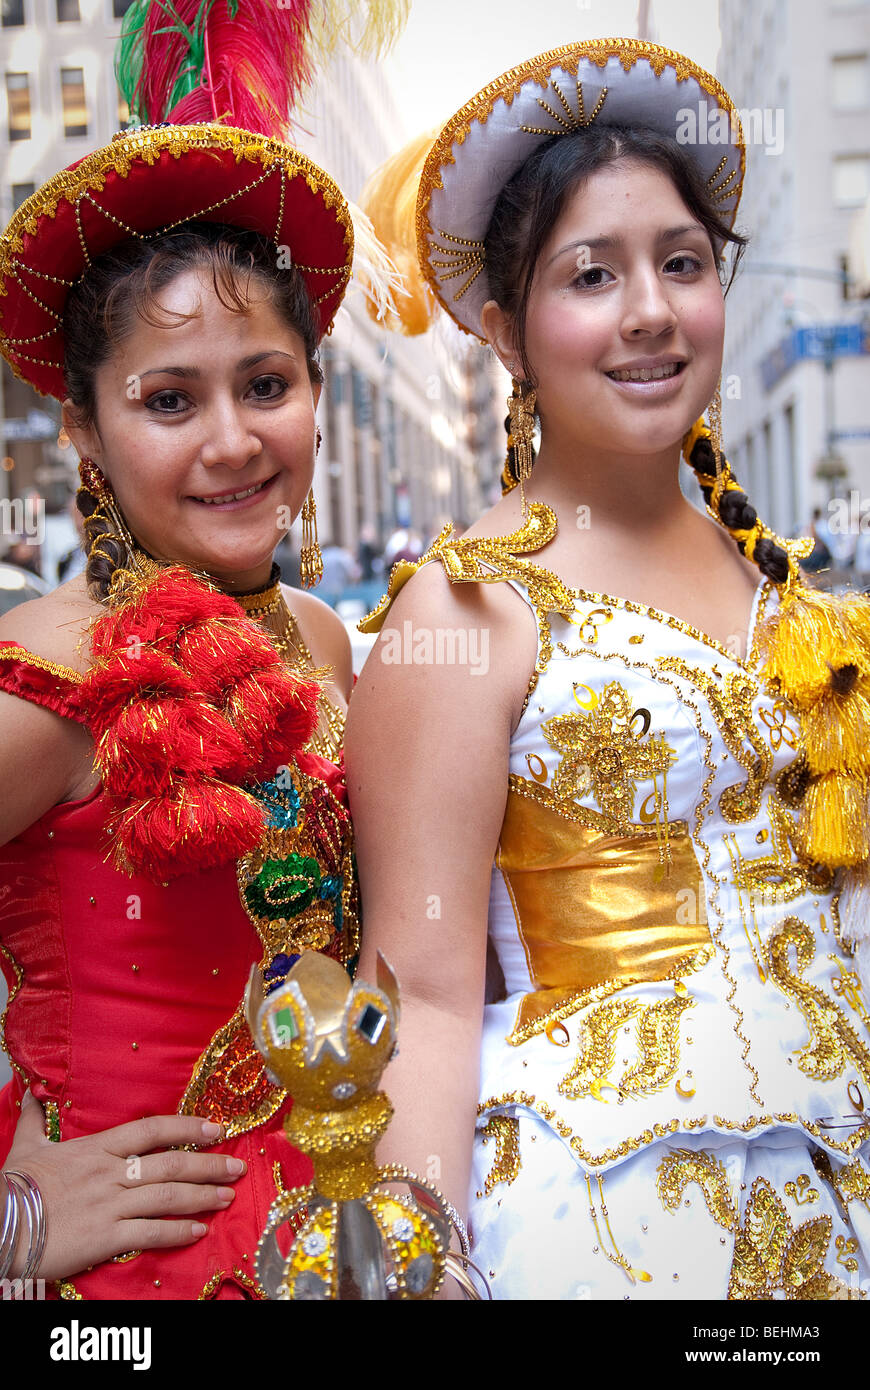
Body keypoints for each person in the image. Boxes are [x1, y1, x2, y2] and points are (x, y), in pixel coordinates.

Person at [347, 38, 870, 1300]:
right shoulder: (467, 608)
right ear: (505, 330)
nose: (650, 309)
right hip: (606, 1222)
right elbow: (417, 990)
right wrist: (425, 1265)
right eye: (592, 274)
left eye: (680, 264)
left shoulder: (788, 590)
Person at [0, 33, 371, 1295]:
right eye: (169, 401)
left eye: (266, 384)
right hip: (133, 1285)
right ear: (87, 435)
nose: (232, 441)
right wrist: (10, 1222)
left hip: (341, 1235)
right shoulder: (44, 679)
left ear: (316, 395)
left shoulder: (318, 635)